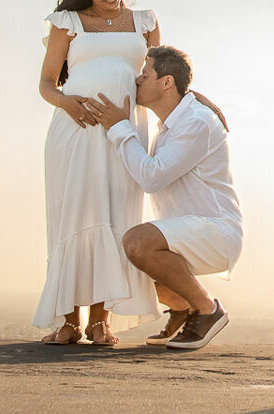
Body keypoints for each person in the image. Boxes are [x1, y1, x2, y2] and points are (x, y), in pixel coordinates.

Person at [33, 0, 162, 344]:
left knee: (116, 214)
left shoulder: (145, 22)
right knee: (75, 216)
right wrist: (67, 103)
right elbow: (46, 83)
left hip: (124, 132)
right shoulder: (67, 23)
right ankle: (70, 320)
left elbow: (160, 76)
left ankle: (101, 320)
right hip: (76, 131)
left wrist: (199, 101)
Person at [80, 45, 243, 352]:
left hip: (215, 231)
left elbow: (152, 178)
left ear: (167, 82)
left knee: (137, 242)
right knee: (117, 250)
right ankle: (181, 308)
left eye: (145, 73)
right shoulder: (171, 123)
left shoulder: (196, 122)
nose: (137, 80)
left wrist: (119, 128)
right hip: (186, 232)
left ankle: (207, 310)